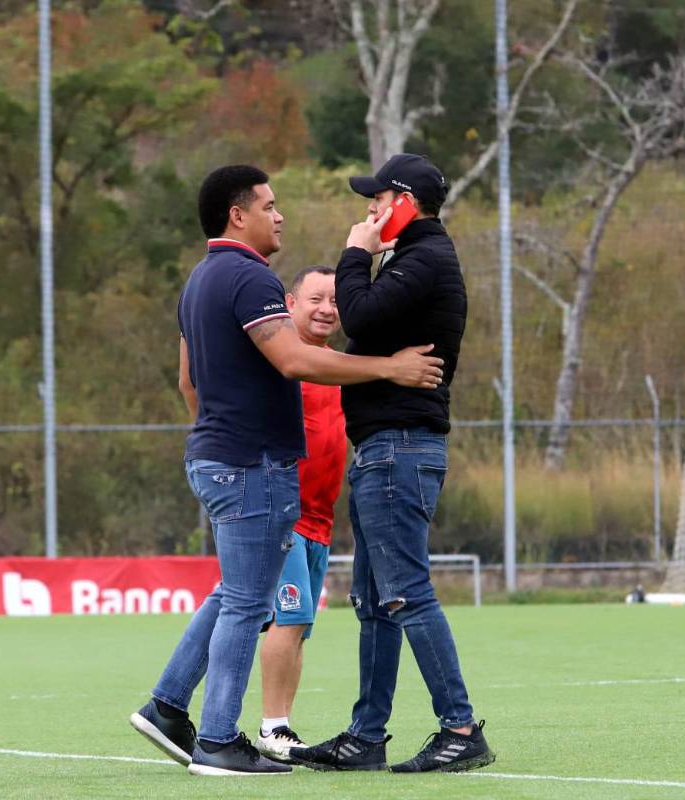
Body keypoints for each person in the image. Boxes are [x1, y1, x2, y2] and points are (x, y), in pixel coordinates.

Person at [128, 164, 444, 777]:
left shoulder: (198, 280)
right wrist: (390, 368)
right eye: (269, 205)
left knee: (233, 593)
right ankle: (219, 739)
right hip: (252, 464)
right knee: (249, 604)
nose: (281, 216)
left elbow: (187, 380)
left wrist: (215, 432)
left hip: (218, 456)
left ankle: (168, 707)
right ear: (236, 215)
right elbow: (296, 359)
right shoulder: (248, 277)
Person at [290, 154, 495, 773]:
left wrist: (357, 252)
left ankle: (460, 729)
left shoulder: (425, 257)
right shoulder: (415, 258)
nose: (369, 211)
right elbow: (373, 324)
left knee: (405, 594)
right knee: (375, 601)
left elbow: (360, 315)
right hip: (387, 449)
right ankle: (367, 736)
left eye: (377, 199)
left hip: (399, 449)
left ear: (405, 202)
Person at [254, 265, 346, 763]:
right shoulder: (282, 362)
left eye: (333, 300)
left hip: (321, 520)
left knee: (300, 626)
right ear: (291, 302)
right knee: (287, 620)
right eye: (316, 298)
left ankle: (281, 729)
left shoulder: (338, 366)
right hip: (283, 515)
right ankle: (271, 725)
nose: (326, 308)